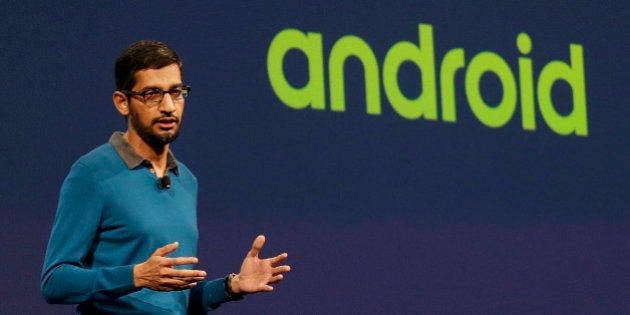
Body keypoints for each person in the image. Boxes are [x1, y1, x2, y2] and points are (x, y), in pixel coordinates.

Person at [41, 40, 291, 314]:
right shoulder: (92, 173)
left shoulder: (186, 180)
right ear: (122, 102)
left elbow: (174, 301)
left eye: (177, 92)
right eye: (152, 94)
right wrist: (135, 276)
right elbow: (55, 282)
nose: (169, 106)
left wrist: (231, 286)